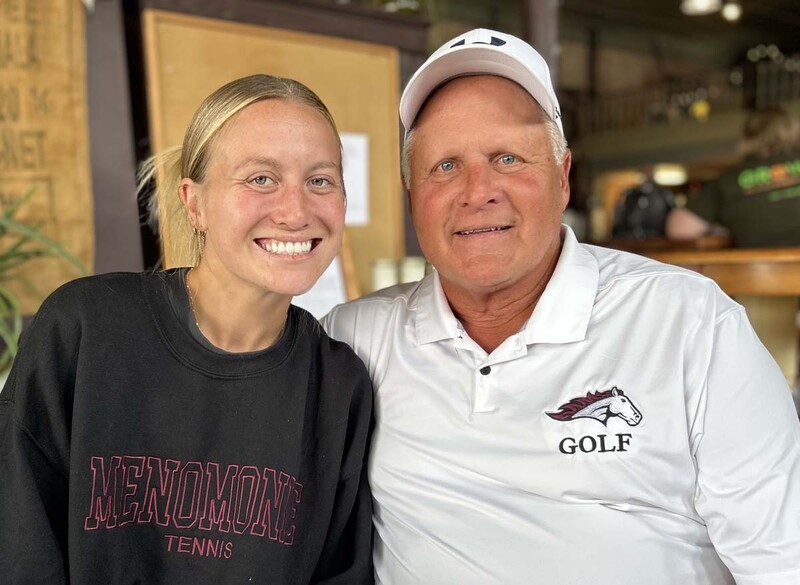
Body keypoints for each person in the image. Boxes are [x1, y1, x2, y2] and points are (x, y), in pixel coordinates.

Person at [323, 29, 800, 584]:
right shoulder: (354, 339)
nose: (478, 191)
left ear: (563, 177)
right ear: (412, 198)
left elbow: (780, 561)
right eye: (445, 166)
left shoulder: (690, 323)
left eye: (507, 158)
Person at [0, 74, 373, 584]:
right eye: (260, 178)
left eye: (321, 180)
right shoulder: (87, 328)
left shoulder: (340, 385)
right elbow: (18, 542)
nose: (296, 210)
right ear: (194, 202)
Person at [666, 106, 800, 247]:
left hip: (763, 268)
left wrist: (721, 227)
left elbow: (679, 229)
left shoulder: (730, 179)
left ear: (750, 137)